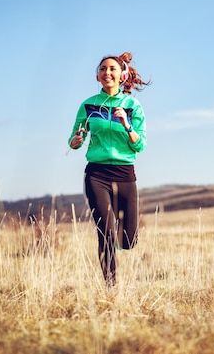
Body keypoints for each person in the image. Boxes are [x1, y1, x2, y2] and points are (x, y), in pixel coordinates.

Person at [68, 52, 149, 285]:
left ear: (122, 75)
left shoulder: (132, 106)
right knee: (105, 230)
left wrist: (126, 125)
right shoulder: (88, 105)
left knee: (128, 239)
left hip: (125, 174)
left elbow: (140, 145)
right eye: (103, 69)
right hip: (97, 174)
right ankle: (110, 285)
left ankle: (123, 246)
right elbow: (74, 140)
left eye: (112, 69)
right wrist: (76, 140)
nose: (107, 72)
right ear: (97, 76)